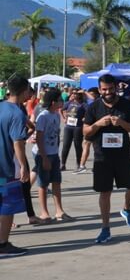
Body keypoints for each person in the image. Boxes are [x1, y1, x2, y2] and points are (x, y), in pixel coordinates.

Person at [82, 73, 130, 244]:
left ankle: (126, 209)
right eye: (104, 89)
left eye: (110, 88)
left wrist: (121, 123)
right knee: (105, 192)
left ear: (116, 87)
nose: (107, 92)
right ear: (99, 90)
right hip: (102, 156)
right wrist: (97, 124)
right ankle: (105, 228)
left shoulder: (127, 105)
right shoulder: (93, 108)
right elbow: (85, 131)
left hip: (123, 154)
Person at [0, 76, 33, 256]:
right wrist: (23, 166)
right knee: (7, 206)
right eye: (28, 89)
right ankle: (3, 244)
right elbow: (17, 143)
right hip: (5, 166)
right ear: (22, 91)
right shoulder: (17, 113)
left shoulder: (1, 106)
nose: (29, 93)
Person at [31, 89, 71, 222]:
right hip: (44, 154)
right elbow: (40, 138)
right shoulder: (43, 116)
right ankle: (44, 212)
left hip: (54, 153)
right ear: (53, 102)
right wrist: (44, 157)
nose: (62, 102)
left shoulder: (56, 115)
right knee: (43, 184)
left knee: (56, 182)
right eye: (60, 100)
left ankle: (59, 211)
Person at [60, 90, 87, 171]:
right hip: (68, 127)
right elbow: (61, 110)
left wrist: (85, 118)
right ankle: (63, 164)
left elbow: (89, 112)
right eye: (73, 93)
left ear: (80, 95)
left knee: (78, 146)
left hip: (78, 127)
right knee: (65, 146)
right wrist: (64, 118)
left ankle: (79, 164)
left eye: (76, 93)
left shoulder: (83, 104)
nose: (74, 95)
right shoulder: (69, 103)